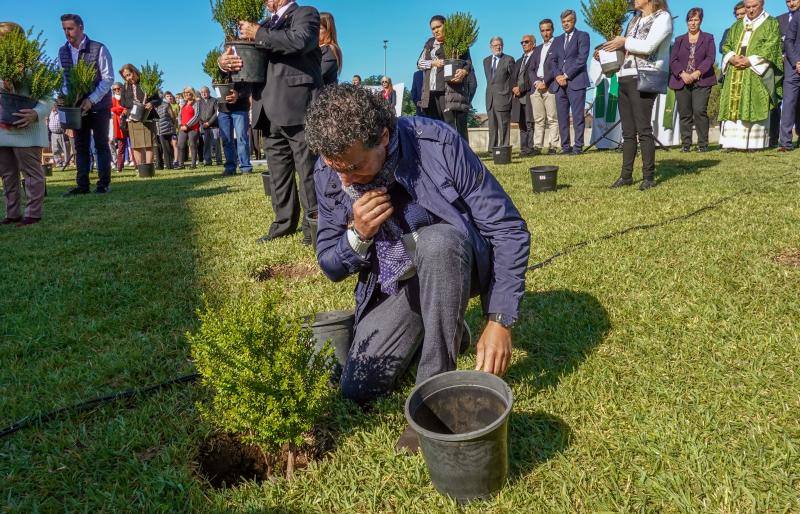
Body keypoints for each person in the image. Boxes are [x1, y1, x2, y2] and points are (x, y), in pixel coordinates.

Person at [304, 84, 530, 453]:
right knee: (358, 389)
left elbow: (506, 228)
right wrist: (357, 235)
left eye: (355, 167)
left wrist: (500, 320)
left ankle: (434, 395)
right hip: (397, 283)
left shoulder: (436, 142)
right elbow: (329, 263)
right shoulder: (331, 168)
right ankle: (442, 324)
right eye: (335, 168)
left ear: (383, 136)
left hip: (454, 260)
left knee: (439, 241)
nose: (344, 180)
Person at [220, 0, 322, 245]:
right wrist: (224, 64)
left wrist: (258, 33)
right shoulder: (264, 25)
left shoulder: (305, 14)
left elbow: (299, 41)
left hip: (297, 105)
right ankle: (283, 223)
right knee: (278, 173)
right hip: (266, 109)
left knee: (307, 171)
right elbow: (251, 65)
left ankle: (314, 228)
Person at [603, 0, 673, 190]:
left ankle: (648, 176)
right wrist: (607, 51)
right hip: (625, 76)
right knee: (627, 132)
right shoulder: (634, 20)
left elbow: (648, 46)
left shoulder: (663, 18)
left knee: (643, 129)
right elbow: (628, 49)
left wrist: (624, 41)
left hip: (645, 76)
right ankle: (626, 175)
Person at [0, 22, 50, 226]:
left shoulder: (34, 66)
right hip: (3, 129)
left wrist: (36, 114)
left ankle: (33, 213)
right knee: (7, 173)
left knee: (31, 172)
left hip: (26, 128)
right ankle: (12, 213)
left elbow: (48, 97)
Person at [58, 13, 114, 195]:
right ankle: (82, 185)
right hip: (76, 108)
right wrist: (67, 100)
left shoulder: (98, 48)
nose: (67, 32)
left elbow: (107, 79)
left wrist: (91, 99)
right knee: (80, 146)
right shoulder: (63, 51)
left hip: (98, 105)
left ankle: (103, 184)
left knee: (100, 145)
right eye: (64, 29)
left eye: (70, 28)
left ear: (81, 27)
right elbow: (64, 80)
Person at [718, 0, 782, 151]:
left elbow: (772, 45)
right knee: (732, 104)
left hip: (755, 71)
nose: (751, 10)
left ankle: (754, 144)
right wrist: (732, 58)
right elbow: (726, 45)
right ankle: (731, 143)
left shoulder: (771, 23)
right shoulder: (736, 25)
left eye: (755, 6)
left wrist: (750, 60)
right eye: (748, 7)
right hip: (735, 70)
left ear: (762, 4)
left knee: (754, 102)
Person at [417, 14, 476, 140]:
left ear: (445, 26)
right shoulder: (429, 44)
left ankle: (461, 156)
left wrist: (464, 72)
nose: (436, 31)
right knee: (436, 128)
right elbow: (419, 63)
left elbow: (468, 63)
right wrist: (433, 63)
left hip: (448, 91)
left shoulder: (456, 42)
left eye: (438, 27)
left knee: (452, 128)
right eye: (433, 29)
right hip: (430, 94)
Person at [669, 7, 717, 152]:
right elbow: (673, 60)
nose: (693, 23)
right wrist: (682, 74)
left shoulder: (708, 38)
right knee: (684, 113)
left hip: (702, 80)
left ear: (700, 21)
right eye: (690, 20)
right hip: (681, 80)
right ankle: (686, 145)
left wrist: (697, 73)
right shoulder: (679, 40)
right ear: (687, 22)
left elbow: (710, 58)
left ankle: (702, 144)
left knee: (699, 111)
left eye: (696, 20)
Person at [547, 10, 591, 155]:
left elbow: (582, 59)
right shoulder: (557, 40)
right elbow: (552, 60)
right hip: (559, 84)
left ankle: (578, 146)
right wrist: (558, 76)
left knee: (578, 116)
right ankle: (566, 147)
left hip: (576, 82)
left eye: (568, 21)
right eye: (563, 21)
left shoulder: (583, 36)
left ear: (574, 21)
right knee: (562, 117)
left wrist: (566, 75)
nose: (565, 24)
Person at [529, 19, 561, 155]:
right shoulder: (537, 49)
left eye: (547, 30)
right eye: (542, 30)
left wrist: (546, 82)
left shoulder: (558, 45)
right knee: (539, 119)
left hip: (550, 86)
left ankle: (553, 146)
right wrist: (536, 82)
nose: (545, 33)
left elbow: (557, 67)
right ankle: (537, 146)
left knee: (552, 118)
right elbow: (531, 69)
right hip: (536, 87)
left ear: (552, 30)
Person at [118, 64, 157, 169]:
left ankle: (149, 168)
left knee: (149, 144)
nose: (128, 78)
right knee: (136, 145)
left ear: (134, 71)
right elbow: (122, 102)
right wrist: (134, 104)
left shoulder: (146, 82)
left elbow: (158, 98)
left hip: (147, 117)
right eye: (125, 76)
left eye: (129, 74)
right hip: (133, 118)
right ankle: (140, 168)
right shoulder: (125, 87)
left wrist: (151, 103)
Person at [483, 37, 515, 151]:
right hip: (490, 99)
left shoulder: (509, 59)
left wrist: (509, 94)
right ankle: (492, 149)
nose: (498, 47)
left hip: (503, 98)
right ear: (491, 47)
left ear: (503, 45)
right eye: (495, 45)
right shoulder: (486, 61)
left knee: (503, 126)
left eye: (500, 44)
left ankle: (504, 149)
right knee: (492, 126)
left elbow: (513, 79)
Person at [777, 0, 800, 150]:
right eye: (788, 0)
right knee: (789, 104)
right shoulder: (796, 17)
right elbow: (788, 41)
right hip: (793, 67)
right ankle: (785, 142)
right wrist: (796, 61)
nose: (791, 3)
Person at [218, 83, 253, 176]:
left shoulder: (242, 70)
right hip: (223, 110)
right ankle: (230, 167)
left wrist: (239, 94)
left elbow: (249, 87)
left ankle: (245, 167)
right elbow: (216, 84)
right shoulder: (220, 71)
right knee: (226, 140)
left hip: (240, 108)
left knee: (242, 138)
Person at [512, 35, 536, 156]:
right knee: (521, 124)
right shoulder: (518, 61)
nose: (524, 44)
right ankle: (523, 149)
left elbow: (532, 79)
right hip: (518, 97)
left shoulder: (536, 58)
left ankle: (530, 148)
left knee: (529, 122)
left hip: (529, 94)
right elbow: (513, 78)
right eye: (522, 42)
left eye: (526, 42)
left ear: (533, 44)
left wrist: (521, 88)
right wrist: (514, 88)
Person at [197, 87, 222, 166]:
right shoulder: (199, 102)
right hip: (204, 126)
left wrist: (209, 122)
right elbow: (197, 114)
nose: (204, 94)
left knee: (216, 144)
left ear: (209, 92)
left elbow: (216, 113)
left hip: (214, 126)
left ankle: (219, 161)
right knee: (206, 144)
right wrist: (202, 123)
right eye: (202, 92)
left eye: (205, 92)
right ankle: (208, 161)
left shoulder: (214, 100)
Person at [177, 87, 200, 169]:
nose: (187, 94)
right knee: (180, 145)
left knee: (192, 145)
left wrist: (187, 125)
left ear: (192, 94)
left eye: (188, 93)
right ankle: (181, 164)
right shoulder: (183, 104)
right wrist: (180, 125)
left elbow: (197, 116)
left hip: (193, 128)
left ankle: (193, 164)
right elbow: (179, 116)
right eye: (185, 93)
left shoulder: (196, 103)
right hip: (182, 128)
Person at [154, 91, 177, 169]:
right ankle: (159, 165)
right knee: (158, 148)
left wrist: (172, 125)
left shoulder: (166, 105)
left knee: (166, 148)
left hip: (166, 130)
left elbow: (172, 116)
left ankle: (169, 165)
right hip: (157, 130)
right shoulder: (153, 105)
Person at [320, 12, 342, 85]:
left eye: (319, 28)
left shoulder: (330, 49)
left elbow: (317, 74)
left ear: (328, 30)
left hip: (323, 94)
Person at [109, 82, 127, 172]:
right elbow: (112, 108)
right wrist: (122, 109)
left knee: (133, 147)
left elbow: (129, 107)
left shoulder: (126, 97)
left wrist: (122, 108)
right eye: (114, 89)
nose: (117, 90)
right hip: (119, 125)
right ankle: (120, 167)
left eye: (118, 88)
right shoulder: (112, 99)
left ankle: (137, 166)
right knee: (121, 147)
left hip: (129, 122)